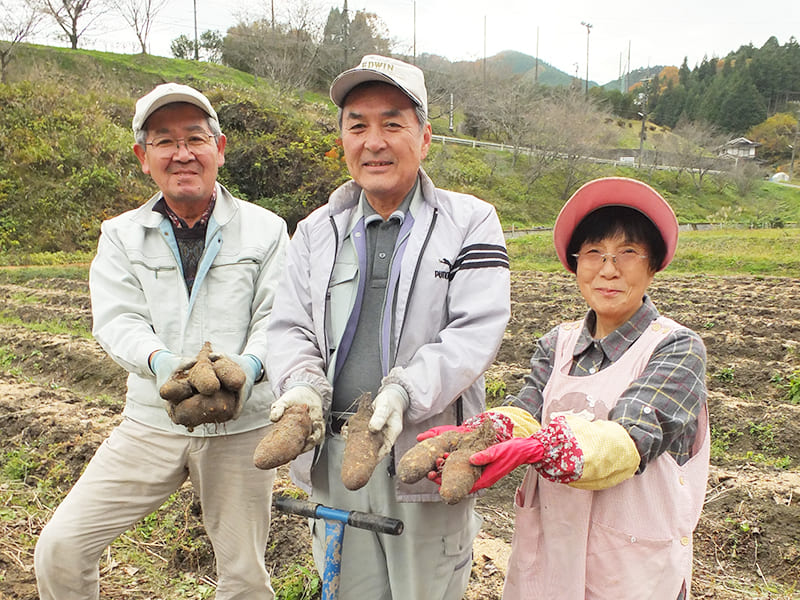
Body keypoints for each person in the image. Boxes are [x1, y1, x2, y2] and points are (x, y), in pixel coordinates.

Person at [263, 55, 511, 600]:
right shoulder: (314, 231)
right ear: (343, 140)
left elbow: (475, 330)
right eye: (358, 125)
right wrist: (301, 385)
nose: (374, 141)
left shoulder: (470, 221)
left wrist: (404, 391)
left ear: (424, 138)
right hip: (334, 459)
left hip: (424, 456)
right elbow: (287, 324)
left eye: (392, 123)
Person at [34, 82, 289, 599]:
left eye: (195, 137)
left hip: (242, 427)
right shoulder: (121, 235)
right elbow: (117, 318)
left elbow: (279, 316)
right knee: (61, 547)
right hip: (152, 420)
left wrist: (251, 364)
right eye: (164, 141)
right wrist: (161, 362)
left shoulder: (266, 231)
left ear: (218, 148)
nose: (182, 153)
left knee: (244, 578)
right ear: (143, 157)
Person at [419, 177, 710, 599]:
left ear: (653, 265)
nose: (608, 269)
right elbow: (525, 412)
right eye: (594, 253)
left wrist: (545, 447)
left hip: (628, 563)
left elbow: (632, 437)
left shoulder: (676, 346)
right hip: (552, 550)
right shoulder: (558, 342)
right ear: (576, 264)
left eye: (627, 253)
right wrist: (487, 432)